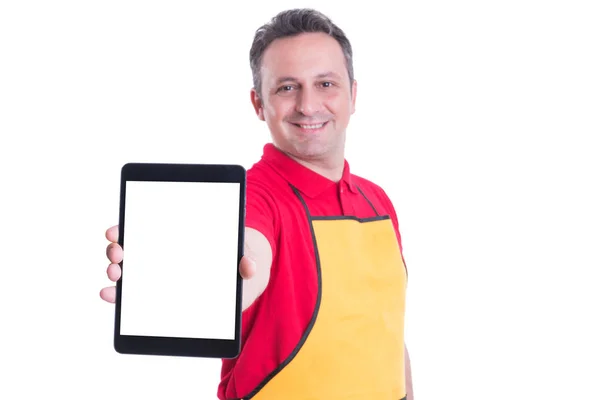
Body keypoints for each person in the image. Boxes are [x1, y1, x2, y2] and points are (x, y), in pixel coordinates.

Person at [100, 8, 414, 400]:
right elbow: (249, 259)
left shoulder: (377, 200)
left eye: (326, 84)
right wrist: (208, 279)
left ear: (353, 95)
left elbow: (387, 332)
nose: (308, 105)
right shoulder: (254, 196)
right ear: (258, 103)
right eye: (287, 87)